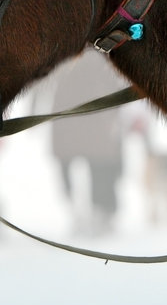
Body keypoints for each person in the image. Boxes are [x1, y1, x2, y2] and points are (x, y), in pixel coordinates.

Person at [48, 52, 127, 236]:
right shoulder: (101, 58)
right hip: (93, 122)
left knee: (89, 168)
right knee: (100, 168)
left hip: (73, 121)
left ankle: (84, 213)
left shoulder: (67, 57)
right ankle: (97, 212)